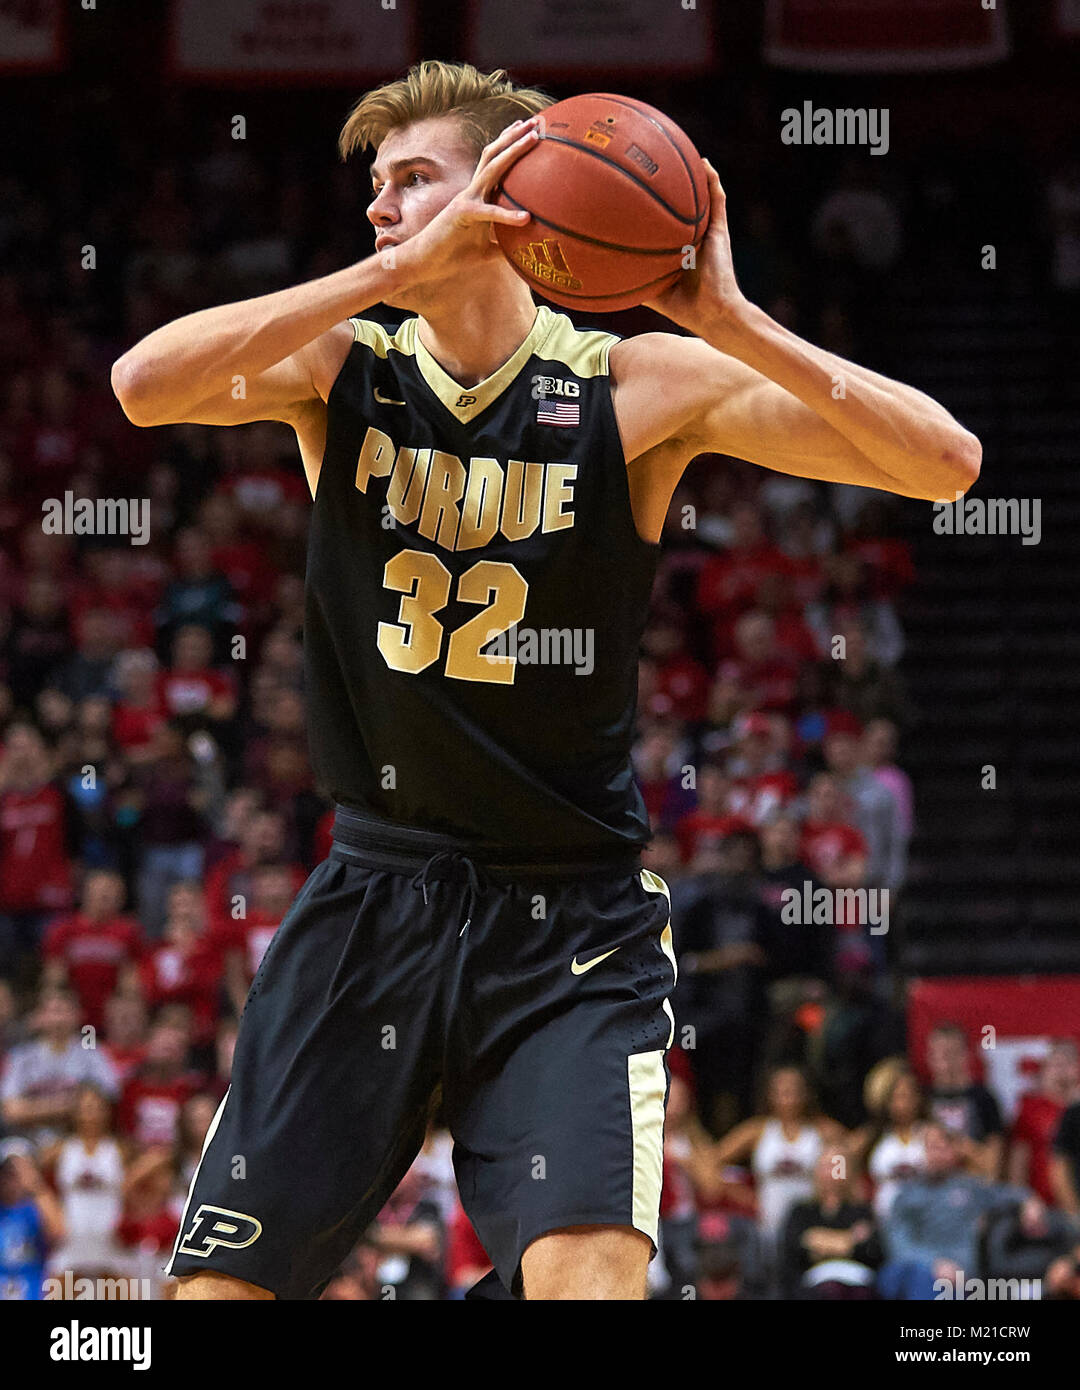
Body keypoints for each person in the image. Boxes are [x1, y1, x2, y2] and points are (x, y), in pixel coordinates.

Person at [110, 61, 980, 1302]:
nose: (382, 206)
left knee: (589, 1282)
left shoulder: (632, 389)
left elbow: (948, 465)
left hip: (570, 920)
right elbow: (143, 387)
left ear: (515, 189)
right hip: (373, 898)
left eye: (415, 179)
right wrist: (390, 275)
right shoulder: (344, 368)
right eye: (376, 186)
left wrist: (727, 320)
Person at [879, 1123, 1030, 1301]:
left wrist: (1029, 1202)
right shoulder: (906, 1194)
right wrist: (934, 1264)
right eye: (930, 1148)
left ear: (954, 1152)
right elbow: (899, 1244)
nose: (936, 1155)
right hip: (914, 1267)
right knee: (910, 1275)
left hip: (959, 1272)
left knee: (944, 1286)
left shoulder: (970, 1187)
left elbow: (1009, 1194)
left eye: (942, 1149)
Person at [780, 1144, 882, 1298]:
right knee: (831, 1291)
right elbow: (795, 1248)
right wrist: (848, 1240)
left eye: (837, 1165)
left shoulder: (861, 1210)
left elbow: (871, 1251)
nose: (831, 1172)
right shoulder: (802, 1211)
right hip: (816, 1280)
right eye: (826, 1166)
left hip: (856, 1279)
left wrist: (818, 1241)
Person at [925, 1022, 1005, 1179]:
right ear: (929, 1056)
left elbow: (994, 1164)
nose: (945, 1061)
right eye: (938, 1054)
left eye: (951, 1053)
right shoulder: (922, 1097)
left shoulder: (984, 1098)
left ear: (966, 1055)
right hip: (929, 1187)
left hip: (973, 1184)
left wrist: (960, 1147)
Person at [0, 1139, 66, 1300]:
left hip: (32, 1290)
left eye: (20, 1173)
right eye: (8, 1172)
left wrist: (35, 1185)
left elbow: (59, 1233)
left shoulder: (37, 1208)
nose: (13, 1180)